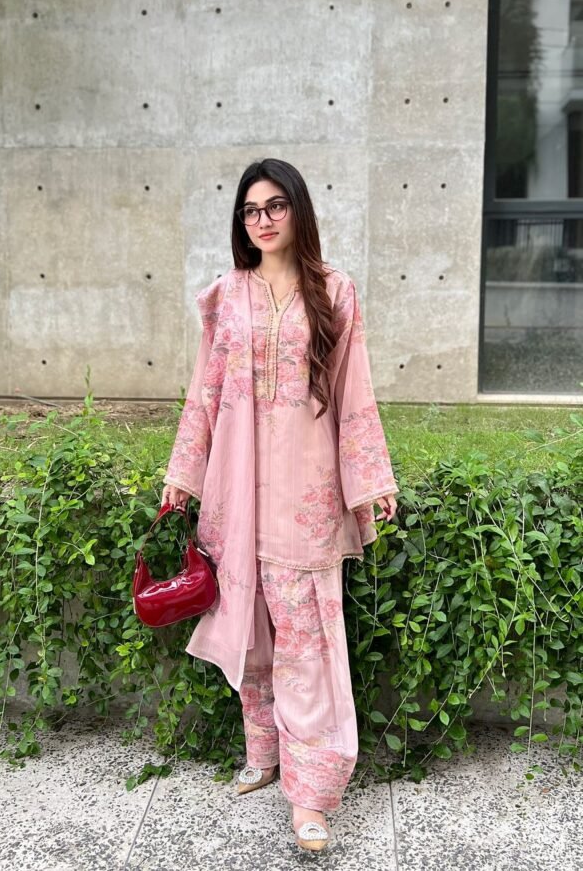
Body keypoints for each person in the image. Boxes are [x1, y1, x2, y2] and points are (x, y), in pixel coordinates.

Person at [161, 157, 399, 853]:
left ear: (298, 209)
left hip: (305, 497)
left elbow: (354, 392)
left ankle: (311, 793)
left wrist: (371, 481)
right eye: (250, 210)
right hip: (237, 495)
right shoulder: (227, 296)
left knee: (305, 644)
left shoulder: (334, 291)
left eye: (274, 206)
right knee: (251, 631)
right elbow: (205, 393)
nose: (261, 220)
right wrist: (183, 473)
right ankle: (263, 752)